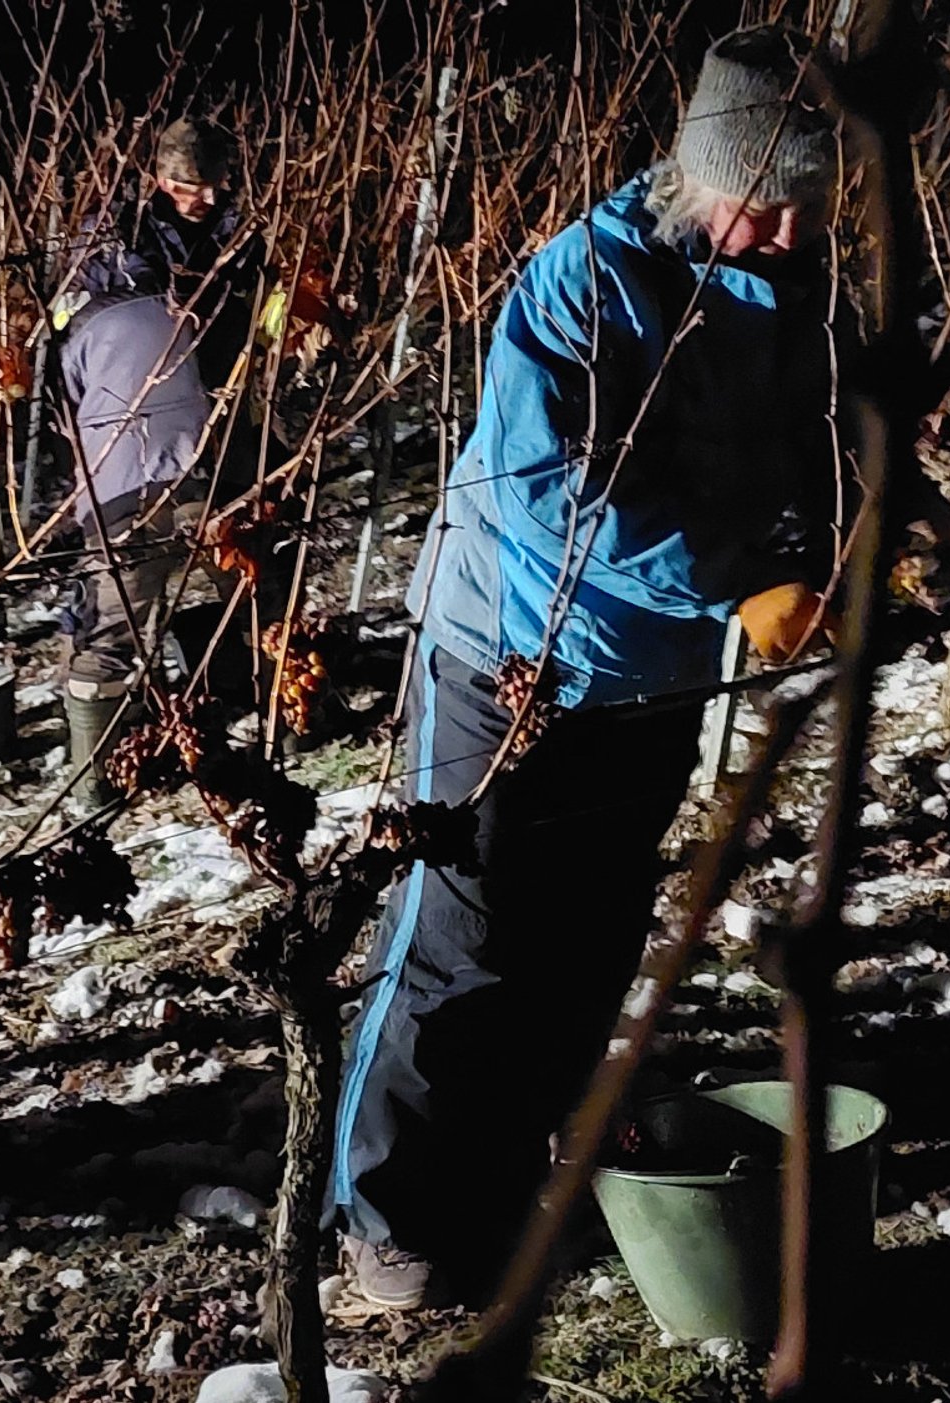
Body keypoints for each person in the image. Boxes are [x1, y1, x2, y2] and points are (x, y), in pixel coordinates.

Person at [326, 24, 862, 1310]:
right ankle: (387, 1215)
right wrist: (742, 579)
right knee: (462, 935)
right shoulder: (579, 286)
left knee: (589, 931)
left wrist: (868, 529)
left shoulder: (807, 291)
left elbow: (829, 436)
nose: (789, 234)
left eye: (812, 205)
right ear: (696, 178)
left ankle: (513, 1173)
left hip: (660, 670)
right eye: (764, 206)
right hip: (511, 656)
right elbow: (547, 502)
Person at [54, 116, 265, 801]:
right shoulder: (108, 261)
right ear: (155, 179)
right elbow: (69, 375)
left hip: (200, 450)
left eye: (212, 185)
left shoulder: (237, 245)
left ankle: (262, 702)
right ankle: (98, 779)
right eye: (184, 186)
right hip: (143, 466)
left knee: (258, 576)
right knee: (115, 615)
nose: (200, 198)